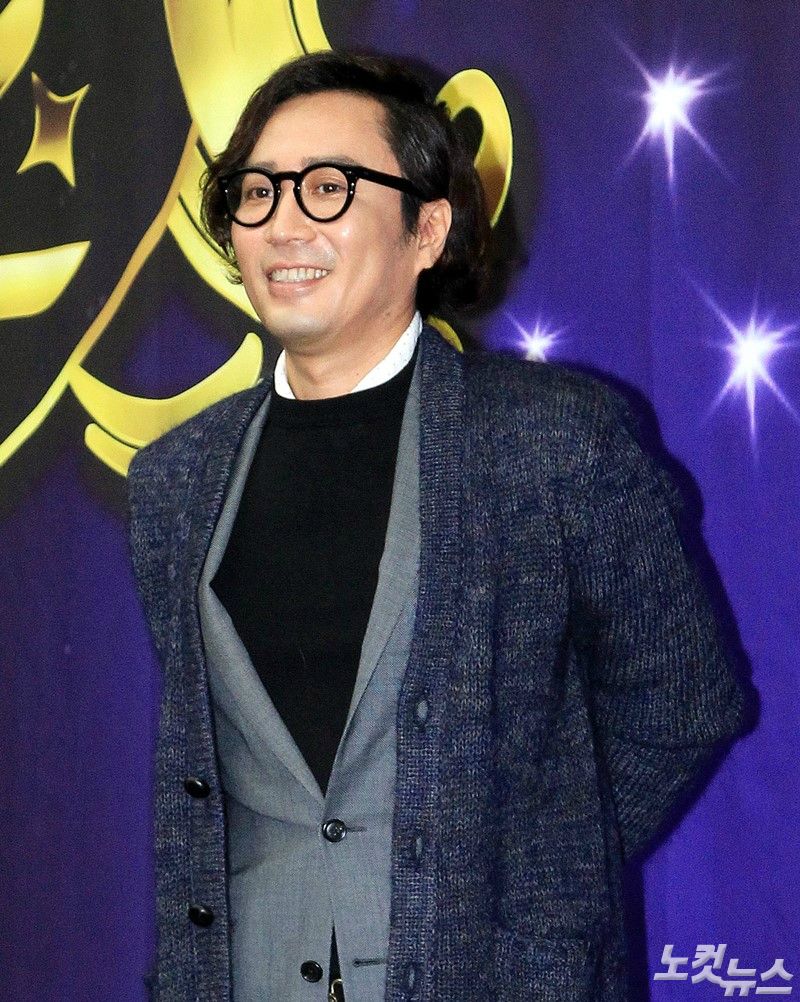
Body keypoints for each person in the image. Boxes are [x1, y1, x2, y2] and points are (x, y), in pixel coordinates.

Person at [127, 50, 745, 1002]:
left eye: (327, 187)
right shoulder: (174, 480)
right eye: (255, 191)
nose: (282, 222)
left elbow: (683, 703)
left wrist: (527, 877)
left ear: (428, 229)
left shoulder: (553, 440)